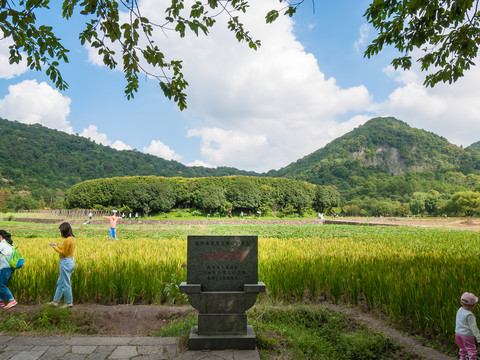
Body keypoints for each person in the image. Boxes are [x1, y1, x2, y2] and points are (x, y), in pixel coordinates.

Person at [48, 222, 76, 308]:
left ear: (65, 230)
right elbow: (66, 250)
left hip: (66, 262)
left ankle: (69, 302)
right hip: (70, 261)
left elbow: (63, 253)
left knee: (66, 283)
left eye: (61, 231)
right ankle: (55, 301)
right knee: (60, 282)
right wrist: (58, 246)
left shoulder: (67, 240)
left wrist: (55, 248)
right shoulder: (72, 238)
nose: (61, 233)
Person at [455, 292, 480, 360]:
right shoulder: (469, 315)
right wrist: (478, 338)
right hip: (467, 336)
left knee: (462, 349)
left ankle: (462, 358)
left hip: (458, 334)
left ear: (461, 302)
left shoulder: (459, 310)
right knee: (472, 351)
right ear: (473, 305)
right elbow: (474, 327)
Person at [0, 230, 18, 309]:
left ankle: (12, 300)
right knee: (2, 284)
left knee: (1, 285)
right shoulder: (10, 244)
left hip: (5, 268)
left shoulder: (2, 244)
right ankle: (1, 301)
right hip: (10, 268)